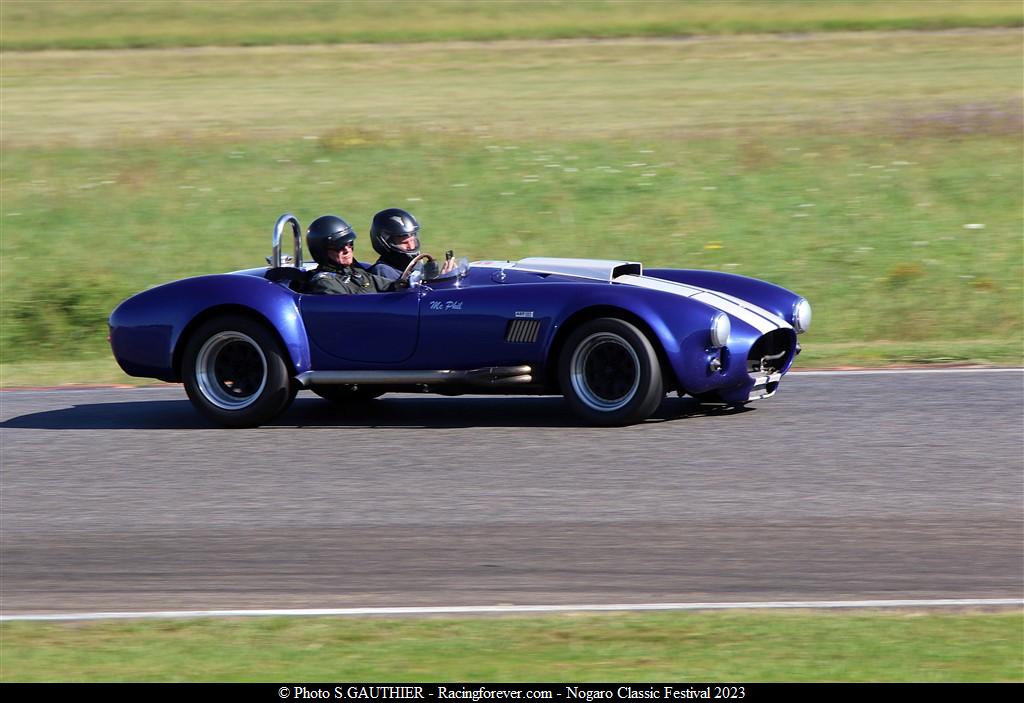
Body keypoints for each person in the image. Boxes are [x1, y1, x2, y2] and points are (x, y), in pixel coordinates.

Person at [304, 215, 404, 295]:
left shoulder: (355, 271)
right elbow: (350, 310)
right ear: (322, 251)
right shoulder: (325, 283)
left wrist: (405, 284)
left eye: (349, 244)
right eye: (340, 246)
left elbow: (387, 285)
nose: (347, 250)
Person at [368, 208, 455, 281]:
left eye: (412, 241)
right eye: (404, 242)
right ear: (384, 243)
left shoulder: (413, 265)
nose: (411, 246)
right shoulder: (383, 271)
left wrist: (438, 277)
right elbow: (408, 297)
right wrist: (442, 281)